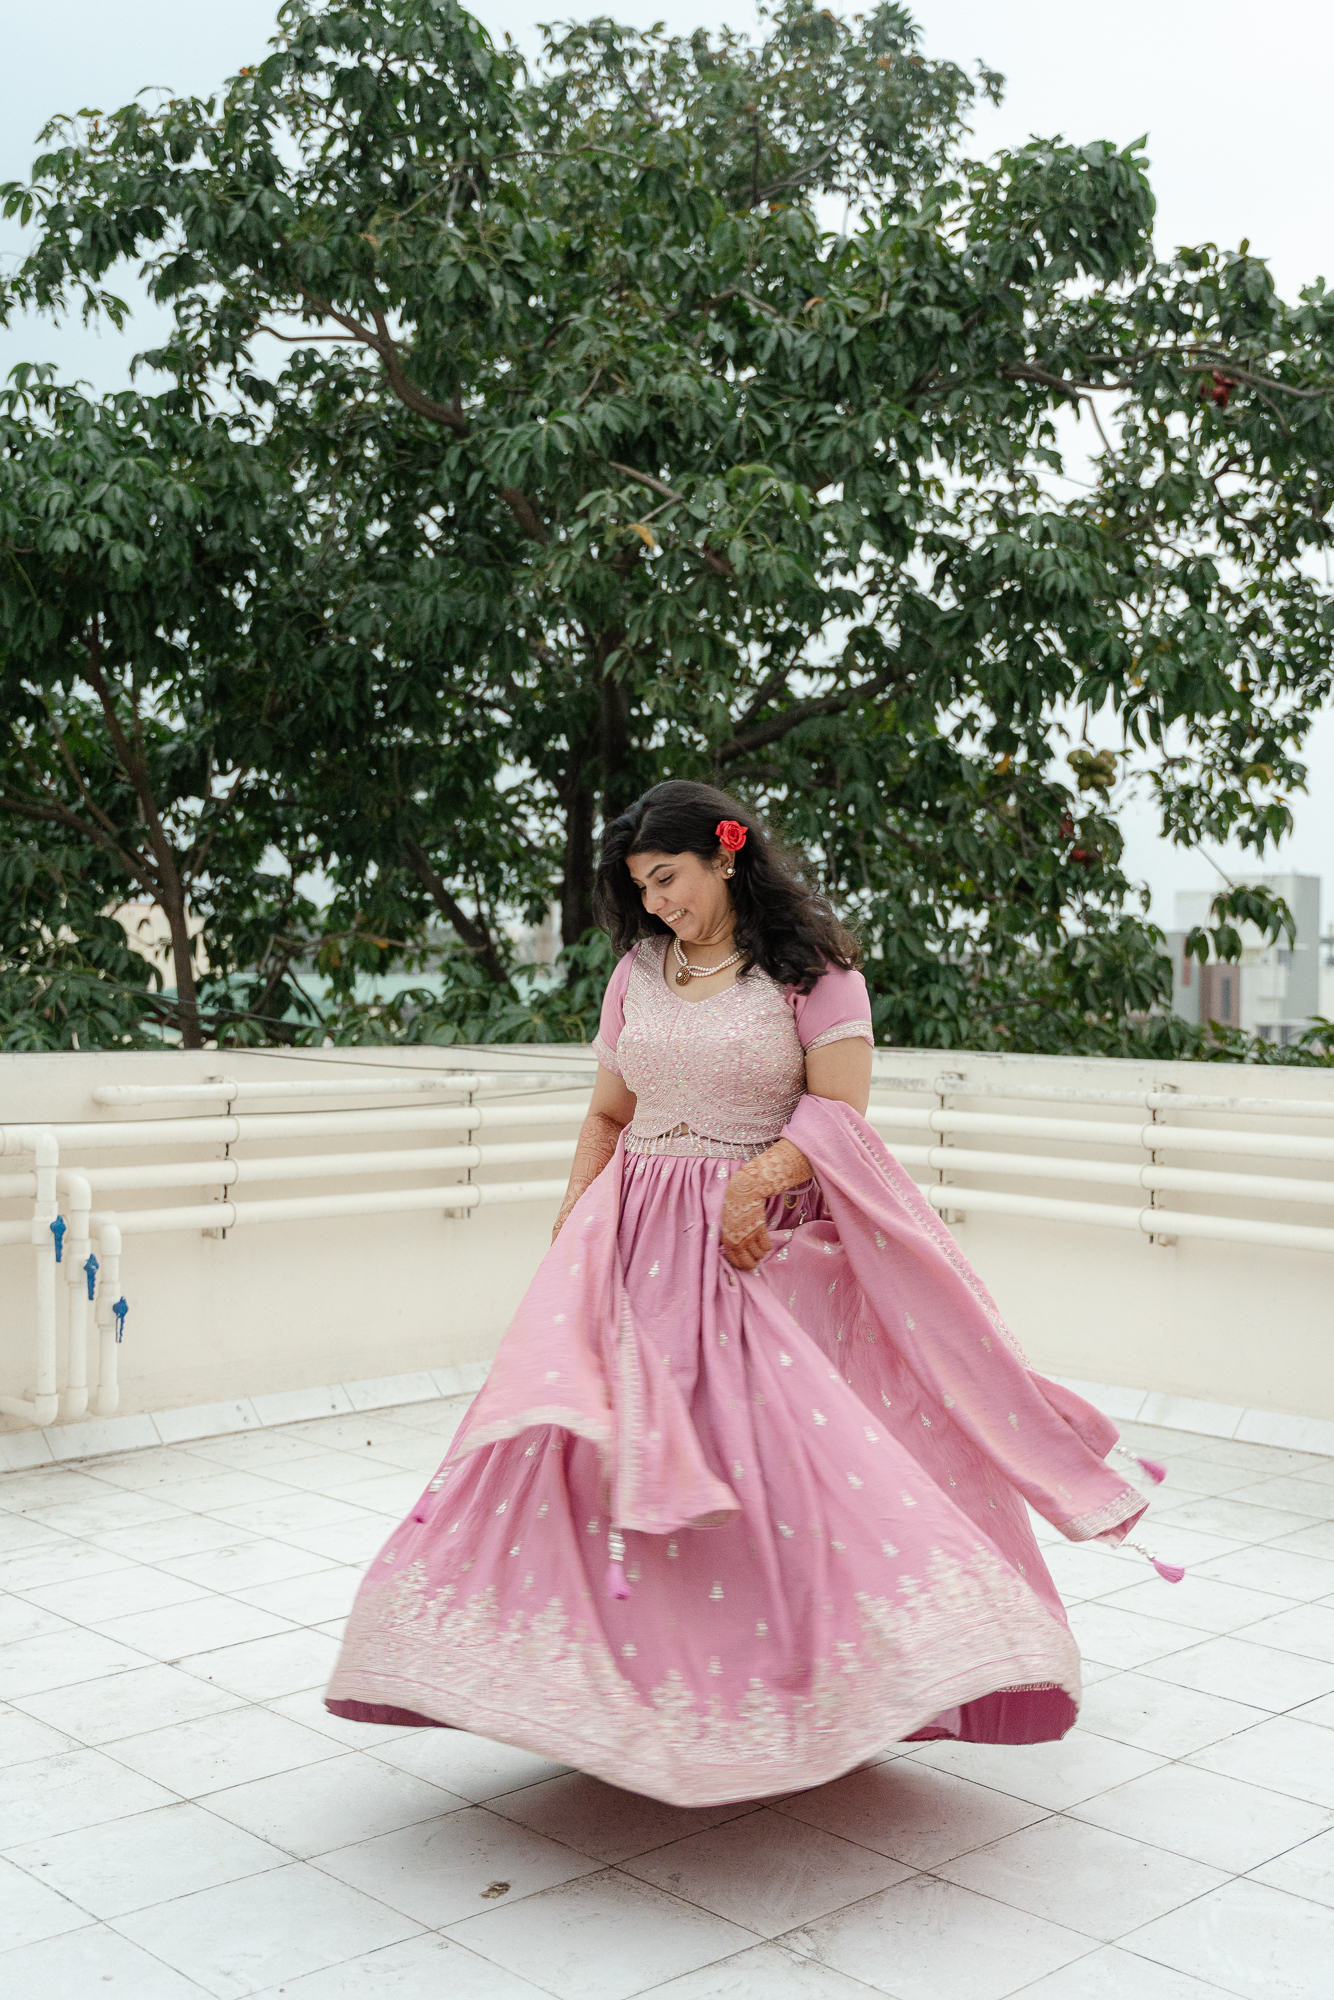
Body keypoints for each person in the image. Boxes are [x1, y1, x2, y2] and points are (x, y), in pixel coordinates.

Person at [324, 780, 1167, 1806]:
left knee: (765, 1472)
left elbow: (840, 1115)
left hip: (751, 1254)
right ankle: (618, 1698)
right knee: (598, 1459)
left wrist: (751, 1184)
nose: (657, 904)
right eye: (641, 888)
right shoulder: (637, 972)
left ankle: (794, 1695)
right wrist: (572, 1226)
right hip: (629, 1245)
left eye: (667, 878)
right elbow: (607, 1112)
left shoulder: (813, 973)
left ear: (726, 855)